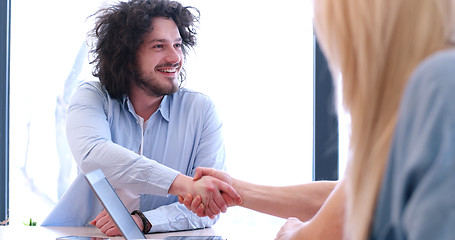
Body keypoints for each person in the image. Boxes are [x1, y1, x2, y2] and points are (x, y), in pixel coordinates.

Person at [180, 0, 455, 239]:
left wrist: (292, 234)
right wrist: (238, 190)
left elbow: (334, 220)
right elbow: (356, 193)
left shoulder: (438, 83)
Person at [42, 0, 241, 236]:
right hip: (89, 234)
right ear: (127, 54)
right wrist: (185, 184)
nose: (175, 57)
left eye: (177, 45)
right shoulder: (92, 97)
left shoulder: (201, 110)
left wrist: (143, 220)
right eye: (159, 46)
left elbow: (209, 205)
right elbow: (94, 155)